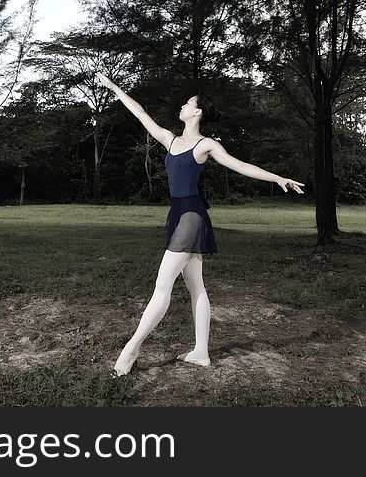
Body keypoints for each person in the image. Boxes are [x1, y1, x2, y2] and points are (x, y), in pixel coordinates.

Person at [95, 73, 305, 377]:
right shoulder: (171, 139)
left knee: (162, 286)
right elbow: (140, 113)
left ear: (198, 112)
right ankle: (201, 352)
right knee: (196, 286)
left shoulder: (206, 145)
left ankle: (130, 351)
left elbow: (240, 165)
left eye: (187, 104)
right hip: (177, 215)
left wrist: (277, 178)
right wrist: (114, 88)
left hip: (192, 217)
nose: (181, 106)